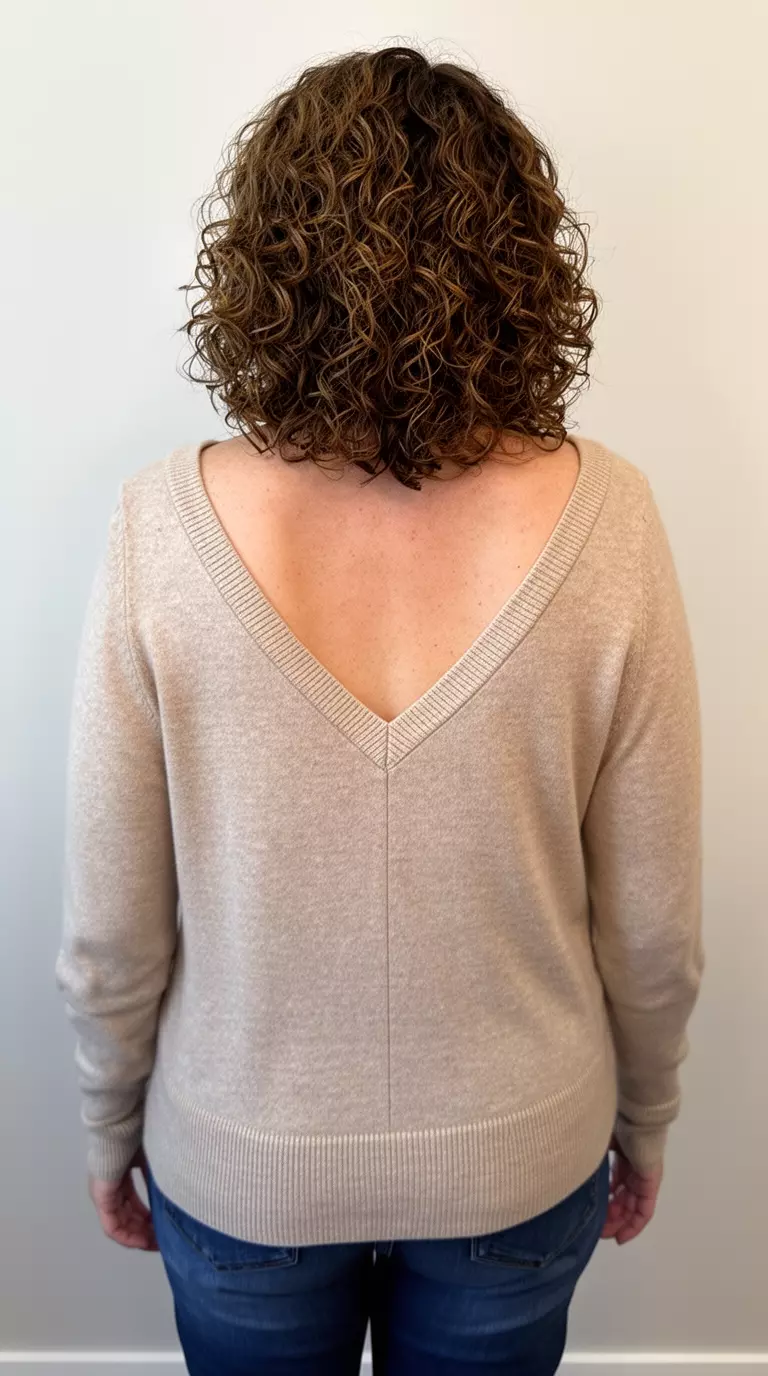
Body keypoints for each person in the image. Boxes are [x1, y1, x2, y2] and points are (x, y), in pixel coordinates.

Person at [55, 43, 704, 1376]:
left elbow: (111, 927)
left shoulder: (164, 531)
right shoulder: (612, 521)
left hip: (239, 1167)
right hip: (519, 1162)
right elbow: (656, 925)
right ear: (519, 266)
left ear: (265, 264)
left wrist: (108, 1130)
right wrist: (647, 1118)